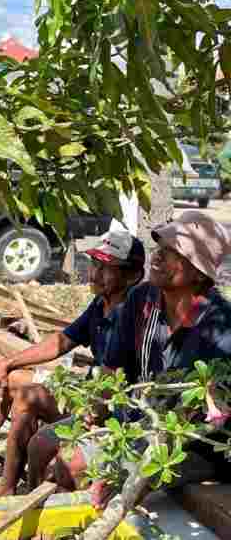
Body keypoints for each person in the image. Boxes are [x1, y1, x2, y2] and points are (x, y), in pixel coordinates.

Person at [0, 230, 145, 491]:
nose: (95, 273)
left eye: (106, 268)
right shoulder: (101, 304)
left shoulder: (130, 313)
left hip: (110, 408)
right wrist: (7, 363)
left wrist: (89, 412)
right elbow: (61, 341)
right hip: (89, 391)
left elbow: (109, 387)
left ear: (132, 276)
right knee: (9, 380)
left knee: (29, 407)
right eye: (94, 263)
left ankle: (14, 488)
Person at [81, 211, 231, 508]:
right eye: (160, 247)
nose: (157, 256)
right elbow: (112, 368)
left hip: (196, 444)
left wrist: (122, 464)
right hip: (141, 422)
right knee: (50, 447)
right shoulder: (142, 299)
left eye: (172, 252)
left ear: (199, 273)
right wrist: (94, 410)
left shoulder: (221, 326)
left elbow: (193, 418)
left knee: (93, 470)